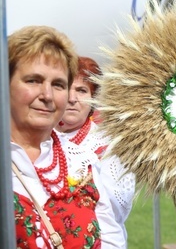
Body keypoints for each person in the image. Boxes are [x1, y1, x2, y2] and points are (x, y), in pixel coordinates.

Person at [9, 25, 124, 248]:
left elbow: (112, 239)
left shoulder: (81, 162)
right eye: (33, 80)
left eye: (58, 84)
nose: (47, 95)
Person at [55, 56, 135, 241]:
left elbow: (116, 212)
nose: (72, 98)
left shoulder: (109, 146)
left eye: (81, 90)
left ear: (94, 99)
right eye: (65, 88)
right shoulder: (38, 138)